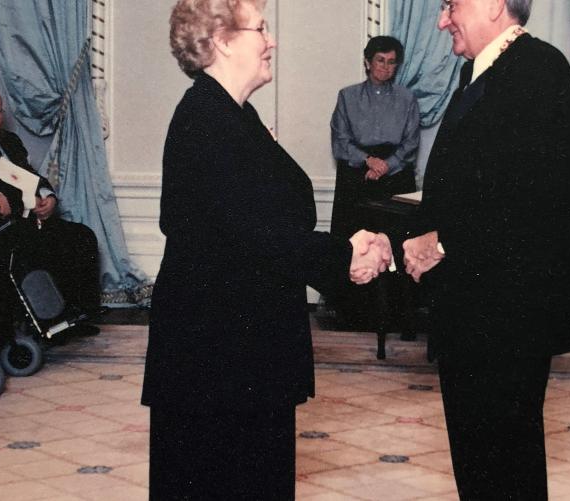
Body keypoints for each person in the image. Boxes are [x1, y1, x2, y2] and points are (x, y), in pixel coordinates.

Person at [141, 1, 391, 499]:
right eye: (261, 29)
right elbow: (249, 234)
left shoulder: (235, 117)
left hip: (241, 347)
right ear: (222, 40)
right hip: (216, 356)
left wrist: (341, 250)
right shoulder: (206, 121)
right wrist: (344, 255)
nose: (271, 40)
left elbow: (265, 222)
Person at [402, 0, 570, 498]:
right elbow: (465, 184)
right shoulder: (482, 73)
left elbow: (525, 198)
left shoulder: (538, 69)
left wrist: (440, 241)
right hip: (477, 311)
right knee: (480, 463)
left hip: (509, 316)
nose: (442, 20)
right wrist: (427, 236)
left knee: (506, 465)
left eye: (451, 5)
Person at [0, 86, 101, 335]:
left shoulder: (10, 141)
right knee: (36, 247)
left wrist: (47, 195)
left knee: (81, 236)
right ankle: (46, 320)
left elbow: (32, 176)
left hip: (29, 217)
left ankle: (76, 315)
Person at [329, 36, 420, 330]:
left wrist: (386, 165)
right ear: (368, 62)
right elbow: (340, 141)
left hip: (394, 177)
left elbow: (410, 143)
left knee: (394, 242)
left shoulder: (407, 99)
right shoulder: (347, 96)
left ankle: (395, 316)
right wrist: (368, 161)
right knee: (355, 242)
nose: (386, 67)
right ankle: (354, 316)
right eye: (380, 60)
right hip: (358, 174)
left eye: (392, 62)